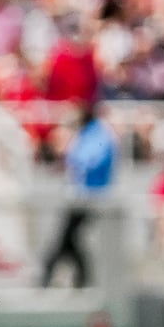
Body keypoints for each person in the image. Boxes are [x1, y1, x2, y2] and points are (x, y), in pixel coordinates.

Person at [43, 101, 118, 289]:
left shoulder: (98, 134)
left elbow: (87, 160)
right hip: (80, 196)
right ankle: (79, 278)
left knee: (67, 237)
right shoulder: (88, 133)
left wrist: (67, 150)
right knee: (69, 238)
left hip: (90, 197)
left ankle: (50, 276)